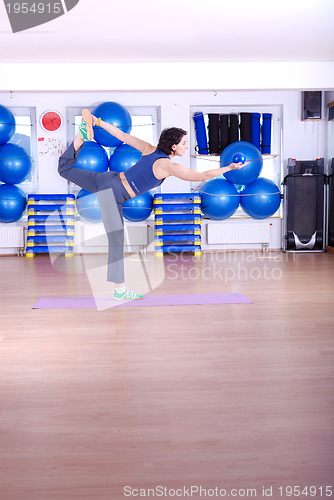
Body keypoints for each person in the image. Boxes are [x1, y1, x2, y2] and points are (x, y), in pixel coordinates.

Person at [58, 109, 245, 300]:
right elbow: (202, 176)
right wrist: (228, 168)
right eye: (184, 143)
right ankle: (119, 290)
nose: (186, 146)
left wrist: (98, 122)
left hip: (107, 179)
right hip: (112, 193)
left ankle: (80, 136)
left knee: (63, 169)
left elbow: (121, 135)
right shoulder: (168, 166)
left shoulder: (149, 149)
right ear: (173, 146)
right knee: (116, 241)